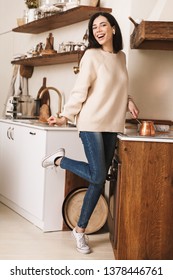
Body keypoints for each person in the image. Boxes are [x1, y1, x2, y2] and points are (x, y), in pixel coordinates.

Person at [42, 12, 139, 254]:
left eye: (103, 24)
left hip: (112, 125)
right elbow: (80, 90)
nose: (98, 29)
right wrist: (65, 115)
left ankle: (59, 162)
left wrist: (128, 100)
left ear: (113, 28)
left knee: (99, 178)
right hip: (90, 123)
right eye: (94, 26)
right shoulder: (91, 56)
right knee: (98, 177)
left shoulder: (121, 57)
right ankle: (80, 229)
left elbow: (117, 85)